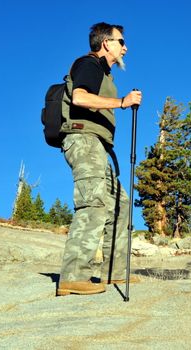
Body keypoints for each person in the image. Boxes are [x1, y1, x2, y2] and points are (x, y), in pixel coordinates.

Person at [56, 22, 142, 296]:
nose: (125, 48)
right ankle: (73, 276)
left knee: (121, 205)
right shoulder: (89, 64)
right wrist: (122, 102)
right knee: (93, 201)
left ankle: (113, 272)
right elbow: (80, 97)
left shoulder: (103, 74)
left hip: (97, 145)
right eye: (120, 41)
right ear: (106, 43)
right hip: (83, 141)